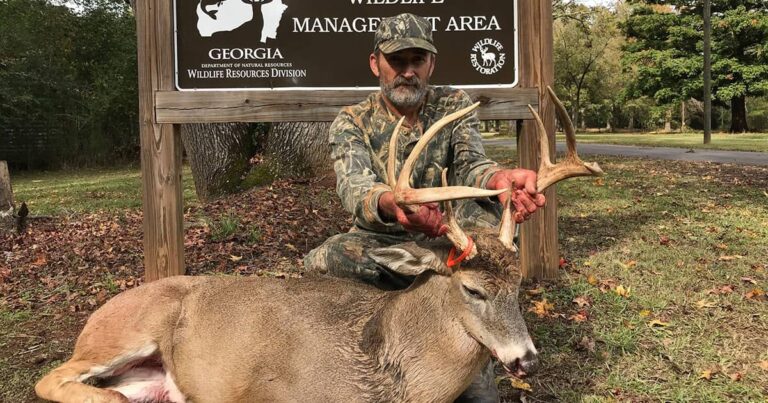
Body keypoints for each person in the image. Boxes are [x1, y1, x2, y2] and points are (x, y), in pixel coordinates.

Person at [303, 14, 545, 402]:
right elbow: (356, 189)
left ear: (430, 64)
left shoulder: (452, 104)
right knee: (328, 258)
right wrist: (392, 204)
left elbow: (471, 164)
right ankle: (349, 352)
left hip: (449, 242)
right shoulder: (352, 121)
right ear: (375, 63)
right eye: (397, 62)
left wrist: (499, 179)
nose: (408, 72)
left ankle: (472, 361)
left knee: (485, 234)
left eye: (417, 61)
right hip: (383, 239)